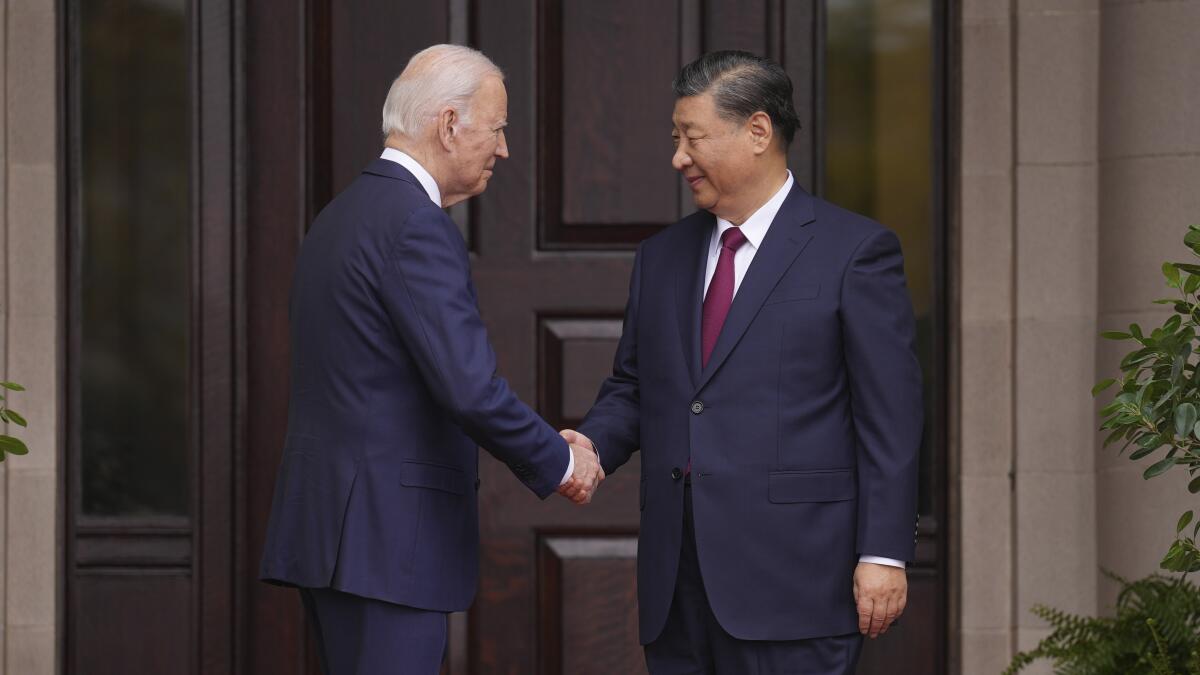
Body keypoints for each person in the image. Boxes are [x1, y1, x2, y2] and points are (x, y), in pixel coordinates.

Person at [561, 50, 923, 674]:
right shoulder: (661, 257)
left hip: (799, 584)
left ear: (758, 132)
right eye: (675, 139)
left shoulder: (855, 251)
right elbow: (635, 385)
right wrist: (590, 446)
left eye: (692, 138)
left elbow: (890, 418)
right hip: (678, 587)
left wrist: (884, 552)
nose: (678, 157)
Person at [258, 44, 602, 675]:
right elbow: (469, 388)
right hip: (384, 542)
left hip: (337, 535)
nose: (502, 149)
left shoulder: (341, 216)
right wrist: (561, 462)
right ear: (449, 125)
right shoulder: (417, 224)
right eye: (496, 130)